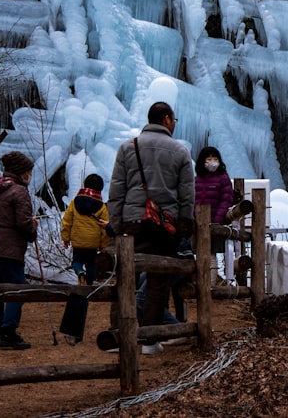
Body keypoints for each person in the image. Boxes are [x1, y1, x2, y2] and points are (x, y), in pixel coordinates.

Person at [107, 102, 194, 354]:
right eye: (174, 119)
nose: (174, 123)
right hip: (165, 225)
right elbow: (187, 193)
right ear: (166, 119)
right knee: (158, 280)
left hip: (132, 221)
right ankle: (148, 338)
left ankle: (117, 335)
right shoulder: (180, 151)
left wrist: (116, 222)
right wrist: (183, 224)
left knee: (125, 275)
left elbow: (117, 188)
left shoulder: (128, 147)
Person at [0, 151, 37, 350]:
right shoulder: (19, 191)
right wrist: (33, 230)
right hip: (9, 247)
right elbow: (23, 223)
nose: (29, 175)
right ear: (21, 172)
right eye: (28, 172)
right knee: (17, 289)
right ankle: (8, 330)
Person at [58, 173, 110, 344]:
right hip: (93, 243)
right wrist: (103, 245)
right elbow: (104, 227)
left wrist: (66, 237)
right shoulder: (101, 206)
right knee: (91, 263)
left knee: (77, 261)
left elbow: (67, 221)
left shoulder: (74, 202)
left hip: (78, 241)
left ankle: (79, 272)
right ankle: (89, 279)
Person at [194, 146, 235, 282]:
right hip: (198, 224)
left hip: (215, 223)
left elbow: (226, 200)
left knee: (211, 255)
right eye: (209, 159)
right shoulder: (198, 179)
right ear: (202, 161)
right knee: (201, 255)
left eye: (215, 159)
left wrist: (218, 220)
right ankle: (202, 283)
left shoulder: (223, 178)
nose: (212, 162)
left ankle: (210, 286)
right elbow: (193, 199)